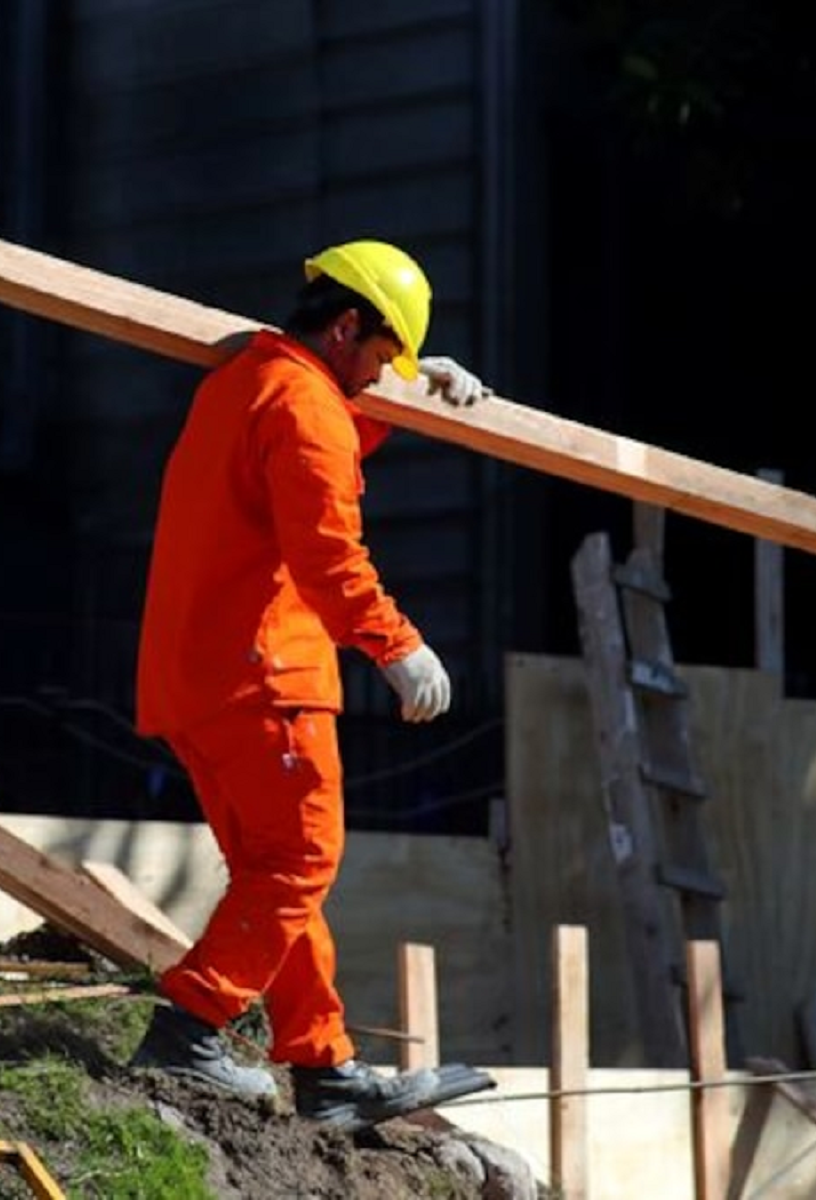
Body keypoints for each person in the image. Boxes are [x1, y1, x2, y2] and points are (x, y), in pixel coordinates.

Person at [126, 239, 497, 1130]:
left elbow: (304, 449)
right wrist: (398, 645)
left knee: (274, 876)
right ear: (343, 327)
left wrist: (407, 391)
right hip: (266, 676)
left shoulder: (243, 383)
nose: (379, 377)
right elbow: (326, 547)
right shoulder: (304, 406)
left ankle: (322, 1066)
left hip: (197, 680)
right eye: (378, 358)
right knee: (298, 862)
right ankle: (191, 1028)